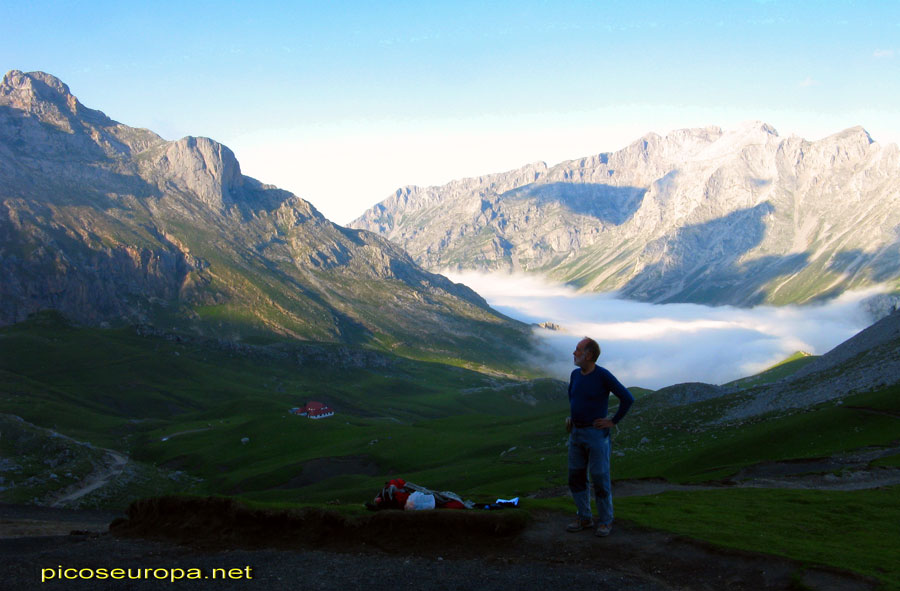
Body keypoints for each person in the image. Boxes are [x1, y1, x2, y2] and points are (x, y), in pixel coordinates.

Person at [565, 336, 634, 537]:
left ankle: (605, 520)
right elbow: (574, 398)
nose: (574, 353)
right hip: (576, 433)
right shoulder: (575, 375)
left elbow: (627, 398)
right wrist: (573, 416)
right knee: (575, 477)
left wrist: (613, 421)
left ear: (590, 355)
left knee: (599, 478)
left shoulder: (603, 376)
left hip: (596, 435)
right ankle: (584, 517)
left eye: (578, 350)